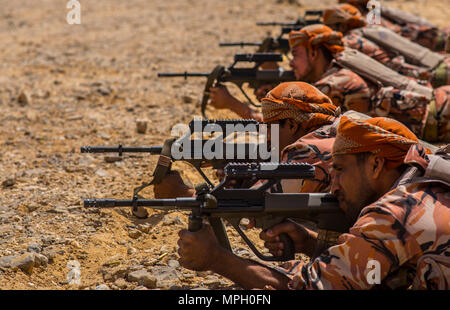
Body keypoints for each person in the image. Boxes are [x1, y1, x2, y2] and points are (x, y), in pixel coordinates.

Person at [177, 116, 450, 289]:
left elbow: (307, 287)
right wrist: (312, 243)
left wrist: (216, 259)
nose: (334, 182)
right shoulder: (430, 188)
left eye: (341, 169)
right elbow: (380, 270)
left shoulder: (394, 214)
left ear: (376, 164)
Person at [210, 24, 450, 142]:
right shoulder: (339, 71)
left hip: (441, 114)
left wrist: (234, 105)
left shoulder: (333, 85)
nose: (291, 63)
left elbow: (282, 128)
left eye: (296, 55)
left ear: (314, 53)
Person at [154, 82, 341, 199]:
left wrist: (181, 192)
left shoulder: (306, 151)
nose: (267, 136)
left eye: (270, 127)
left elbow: (256, 200)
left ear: (292, 125)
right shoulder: (337, 129)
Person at [323, 3, 450, 88]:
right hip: (436, 63)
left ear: (342, 26)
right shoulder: (371, 27)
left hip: (427, 77)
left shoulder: (351, 41)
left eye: (331, 27)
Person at [338, 0, 450, 52]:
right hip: (423, 43)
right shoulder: (367, 21)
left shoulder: (372, 12)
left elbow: (404, 17)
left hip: (429, 39)